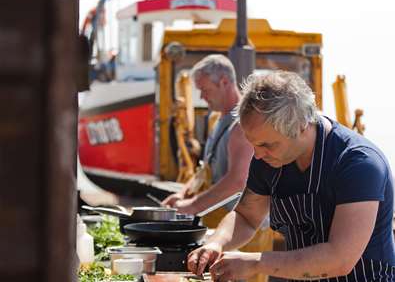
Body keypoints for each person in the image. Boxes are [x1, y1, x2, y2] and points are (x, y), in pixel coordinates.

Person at [187, 70, 395, 282]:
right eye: (253, 144)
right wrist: (216, 243)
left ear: (301, 125)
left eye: (267, 144)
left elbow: (339, 259)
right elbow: (246, 217)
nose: (257, 154)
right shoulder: (268, 160)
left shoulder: (359, 164)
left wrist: (256, 263)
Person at [162, 54, 253, 217]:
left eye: (205, 90)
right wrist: (182, 194)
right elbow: (205, 169)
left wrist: (192, 206)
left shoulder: (243, 125)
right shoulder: (216, 119)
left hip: (243, 230)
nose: (202, 97)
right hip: (219, 221)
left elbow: (237, 181)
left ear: (224, 82)